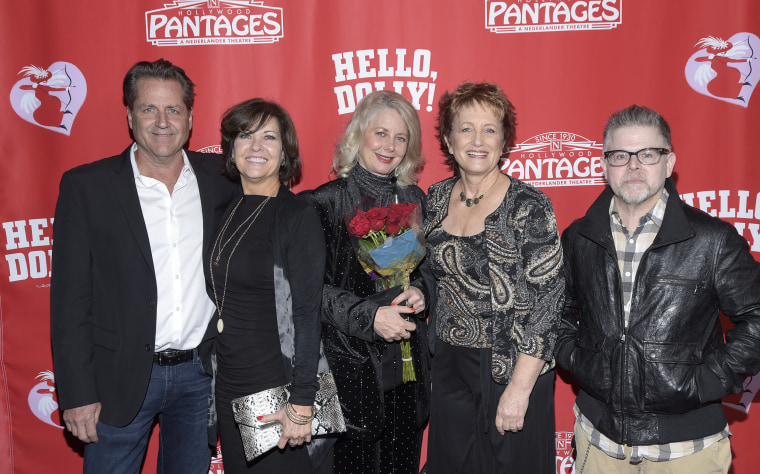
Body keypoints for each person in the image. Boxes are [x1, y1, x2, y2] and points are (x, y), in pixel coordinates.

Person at [50, 58, 238, 473]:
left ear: (190, 117)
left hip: (200, 375)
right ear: (130, 116)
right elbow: (69, 302)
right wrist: (77, 393)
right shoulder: (88, 187)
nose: (162, 121)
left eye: (173, 109)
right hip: (118, 379)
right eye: (149, 109)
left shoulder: (222, 179)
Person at [556, 104, 760, 473]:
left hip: (687, 450)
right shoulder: (578, 238)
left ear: (669, 164)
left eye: (648, 154)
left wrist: (708, 379)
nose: (633, 166)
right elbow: (557, 312)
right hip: (597, 441)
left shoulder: (712, 240)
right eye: (620, 155)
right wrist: (576, 359)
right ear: (604, 166)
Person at [423, 81, 563, 473]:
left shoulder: (529, 206)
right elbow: (431, 277)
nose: (478, 139)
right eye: (466, 128)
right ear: (449, 141)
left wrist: (519, 390)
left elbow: (546, 306)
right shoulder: (434, 199)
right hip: (450, 363)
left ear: (505, 141)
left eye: (490, 129)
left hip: (513, 366)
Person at [301, 90, 430, 474]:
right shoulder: (324, 203)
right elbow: (308, 292)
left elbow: (429, 270)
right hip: (347, 375)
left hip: (407, 375)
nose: (389, 146)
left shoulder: (416, 199)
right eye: (380, 133)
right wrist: (369, 318)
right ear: (359, 134)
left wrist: (422, 291)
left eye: (400, 137)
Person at [209, 98, 330, 473]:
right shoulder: (224, 211)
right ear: (231, 149)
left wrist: (302, 401)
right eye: (245, 136)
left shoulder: (296, 214)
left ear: (285, 154)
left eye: (269, 137)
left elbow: (308, 313)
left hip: (277, 389)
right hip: (228, 385)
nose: (256, 146)